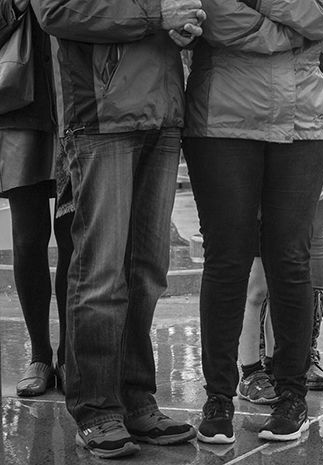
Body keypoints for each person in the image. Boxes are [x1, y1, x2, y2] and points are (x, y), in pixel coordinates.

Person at [30, 0, 206, 458]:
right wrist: (156, 16)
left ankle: (135, 400)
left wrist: (181, 29)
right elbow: (58, 11)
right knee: (101, 273)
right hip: (99, 116)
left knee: (147, 272)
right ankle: (96, 410)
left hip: (163, 112)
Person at [183, 0, 323, 443]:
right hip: (222, 118)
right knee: (226, 261)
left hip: (303, 122)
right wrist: (291, 33)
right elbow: (216, 17)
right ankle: (218, 398)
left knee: (290, 260)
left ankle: (292, 397)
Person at [0, 0, 73, 398]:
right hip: (18, 107)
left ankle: (68, 354)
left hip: (75, 105)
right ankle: (40, 354)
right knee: (28, 239)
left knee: (72, 237)